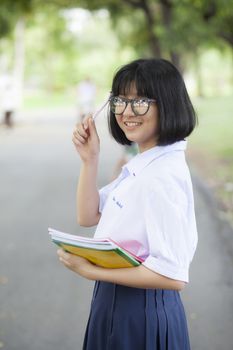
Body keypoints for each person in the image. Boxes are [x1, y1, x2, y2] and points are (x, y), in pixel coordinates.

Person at [57, 58, 198, 350]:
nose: (126, 111)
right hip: (116, 305)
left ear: (168, 104)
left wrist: (89, 271)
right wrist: (90, 160)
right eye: (120, 100)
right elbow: (88, 214)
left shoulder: (159, 176)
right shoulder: (144, 163)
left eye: (140, 102)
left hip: (141, 315)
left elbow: (172, 275)